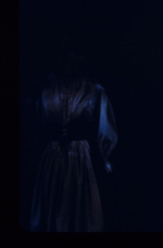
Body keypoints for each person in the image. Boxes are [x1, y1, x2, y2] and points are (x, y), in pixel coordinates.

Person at [29, 46, 117, 232]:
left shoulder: (94, 90)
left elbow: (106, 128)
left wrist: (104, 159)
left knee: (80, 208)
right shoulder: (47, 89)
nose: (71, 59)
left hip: (81, 157)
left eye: (75, 54)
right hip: (52, 157)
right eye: (66, 54)